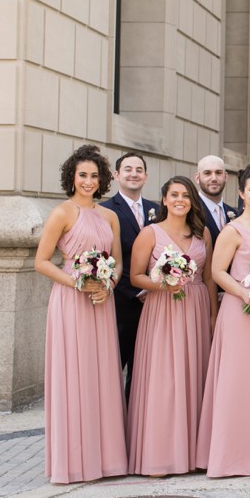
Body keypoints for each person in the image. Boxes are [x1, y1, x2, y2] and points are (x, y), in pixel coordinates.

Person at [34, 145, 127, 484]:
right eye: (82, 175)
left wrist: (109, 285)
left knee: (101, 375)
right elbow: (42, 262)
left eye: (94, 175)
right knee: (74, 374)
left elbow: (116, 261)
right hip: (71, 302)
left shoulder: (110, 216)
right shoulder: (62, 212)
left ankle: (106, 460)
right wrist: (78, 283)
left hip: (102, 302)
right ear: (71, 177)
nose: (89, 181)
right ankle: (73, 463)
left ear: (102, 179)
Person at [196, 164, 250, 477]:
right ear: (242, 193)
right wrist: (245, 294)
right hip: (239, 312)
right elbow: (217, 272)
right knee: (238, 382)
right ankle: (231, 456)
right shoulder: (232, 230)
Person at [127, 176, 216, 475]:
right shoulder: (150, 233)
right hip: (162, 309)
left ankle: (192, 455)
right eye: (174, 195)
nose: (180, 200)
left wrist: (213, 317)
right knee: (163, 380)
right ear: (164, 200)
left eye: (186, 195)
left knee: (194, 375)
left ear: (192, 201)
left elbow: (209, 278)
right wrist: (163, 284)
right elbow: (135, 276)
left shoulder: (202, 234)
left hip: (196, 307)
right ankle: (160, 456)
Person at [100, 152, 158, 400]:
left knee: (144, 374)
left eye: (138, 170)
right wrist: (136, 290)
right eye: (127, 169)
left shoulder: (158, 209)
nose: (133, 174)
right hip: (122, 305)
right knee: (114, 369)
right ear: (116, 175)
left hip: (155, 304)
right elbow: (107, 261)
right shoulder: (104, 211)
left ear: (145, 176)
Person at [195, 155, 237, 248]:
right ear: (197, 178)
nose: (214, 178)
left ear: (226, 177)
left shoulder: (235, 214)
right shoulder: (190, 211)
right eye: (207, 173)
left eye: (218, 173)